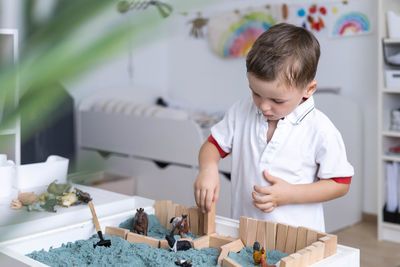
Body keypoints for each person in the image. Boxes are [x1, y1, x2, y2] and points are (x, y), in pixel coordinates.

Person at [193, 23, 354, 232]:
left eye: (277, 100)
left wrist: (291, 194)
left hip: (297, 242)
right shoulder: (242, 110)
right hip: (244, 233)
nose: (263, 106)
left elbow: (340, 183)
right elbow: (212, 146)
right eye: (256, 93)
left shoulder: (321, 129)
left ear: (308, 89)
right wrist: (208, 169)